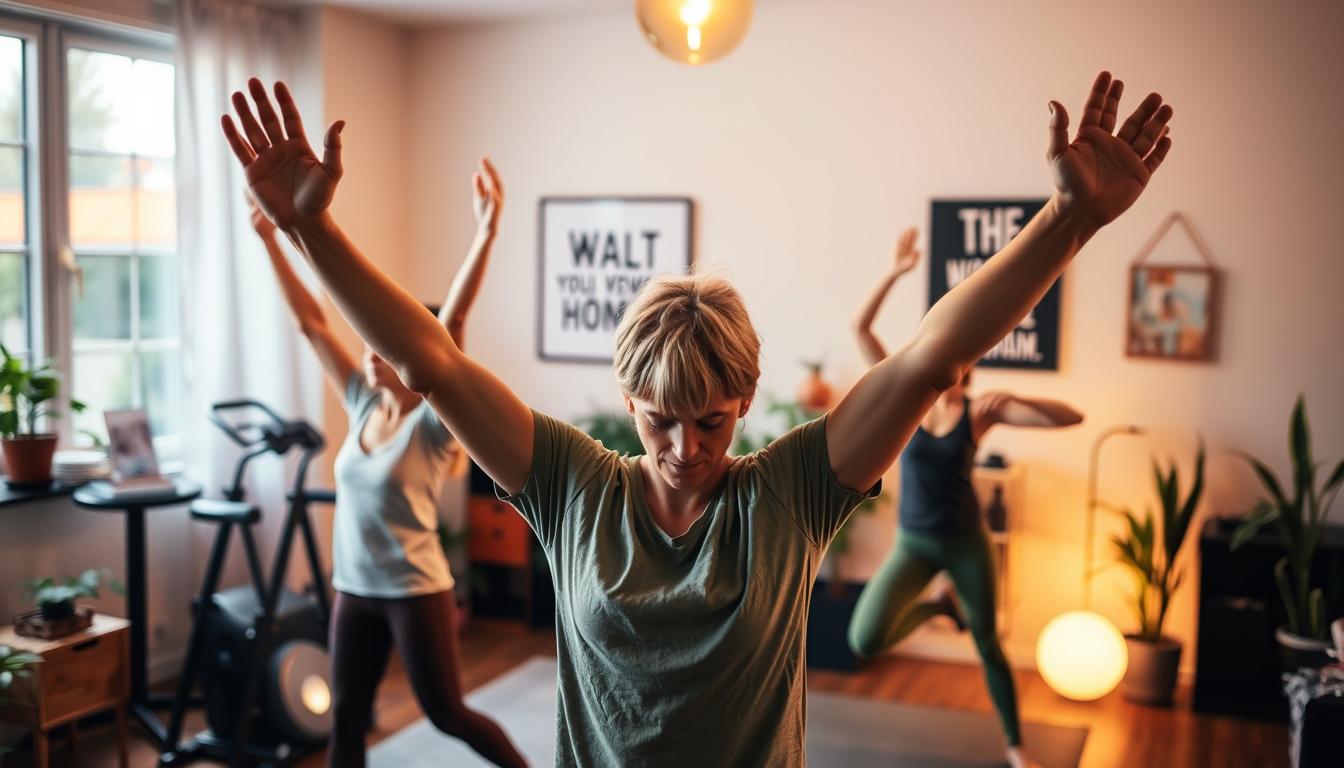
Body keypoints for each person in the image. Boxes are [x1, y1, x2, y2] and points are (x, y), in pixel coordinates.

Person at [221, 70, 1172, 766]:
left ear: (746, 403)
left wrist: (1069, 221)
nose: (684, 451)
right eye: (660, 421)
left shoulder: (793, 492)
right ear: (631, 403)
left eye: (712, 422)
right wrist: (312, 230)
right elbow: (431, 360)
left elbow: (930, 357)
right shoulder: (570, 484)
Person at [246, 158, 527, 768]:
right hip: (353, 587)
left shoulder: (434, 424)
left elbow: (451, 324)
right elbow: (311, 321)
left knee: (447, 714)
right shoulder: (360, 403)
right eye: (369, 343)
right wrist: (272, 238)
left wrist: (486, 232)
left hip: (414, 589)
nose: (371, 352)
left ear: (409, 355)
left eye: (384, 345)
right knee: (346, 715)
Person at [847, 226, 1085, 768]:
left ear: (965, 359)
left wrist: (1017, 397)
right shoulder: (904, 392)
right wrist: (894, 272)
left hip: (964, 543)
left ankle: (1017, 747)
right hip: (913, 544)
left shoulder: (979, 413)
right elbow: (861, 328)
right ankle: (938, 605)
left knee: (989, 645)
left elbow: (1072, 418)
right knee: (865, 639)